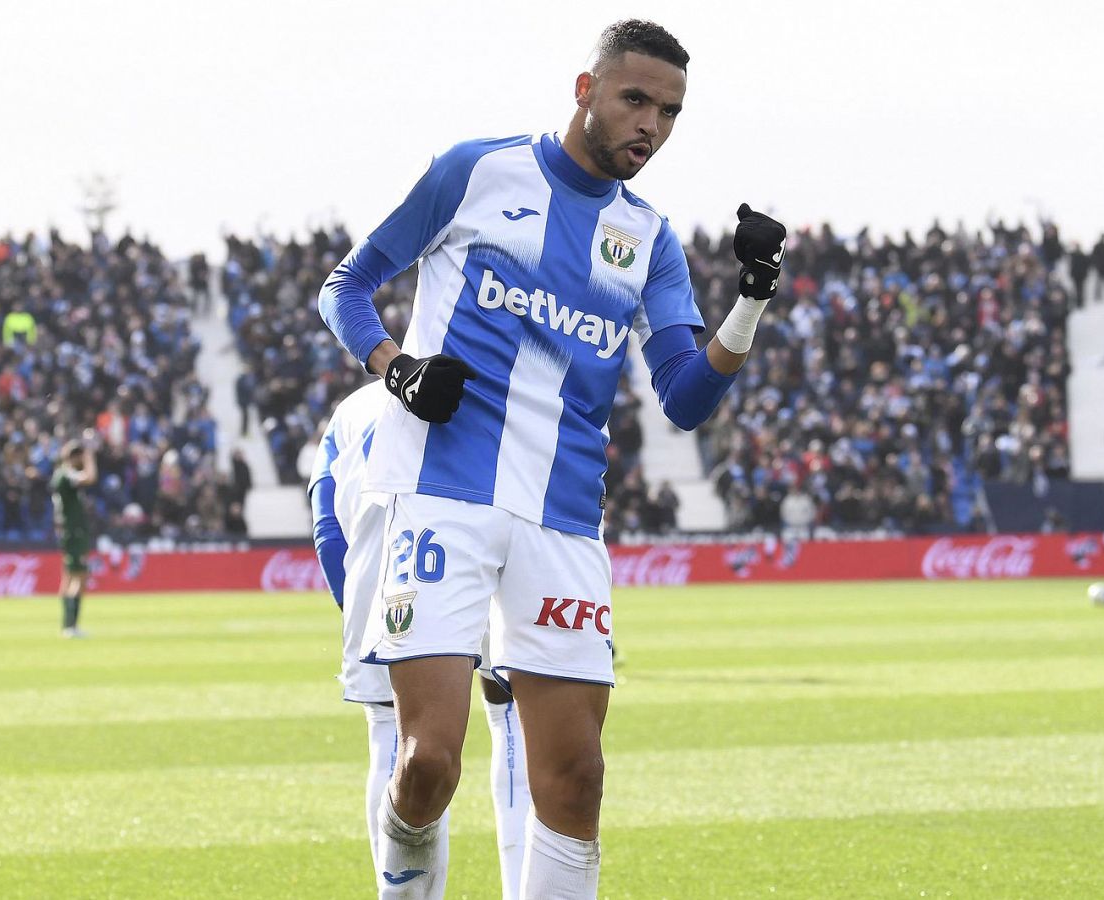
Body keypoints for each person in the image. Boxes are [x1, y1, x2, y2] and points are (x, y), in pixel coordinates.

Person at [318, 20, 785, 898]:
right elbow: (343, 285)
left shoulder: (646, 238)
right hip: (441, 493)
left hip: (564, 517)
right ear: (585, 90)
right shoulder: (478, 171)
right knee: (430, 765)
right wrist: (396, 367)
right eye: (635, 99)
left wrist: (752, 301)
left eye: (671, 112)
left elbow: (684, 395)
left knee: (575, 783)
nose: (651, 125)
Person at [309, 381, 533, 898]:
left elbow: (326, 522)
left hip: (387, 562)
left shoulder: (351, 409)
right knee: (514, 715)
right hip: (496, 541)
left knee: (393, 731)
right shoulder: (503, 384)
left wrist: (357, 607)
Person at [50, 432, 97, 637]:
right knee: (79, 577)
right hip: (73, 532)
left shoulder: (62, 474)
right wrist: (90, 457)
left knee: (68, 578)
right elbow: (90, 477)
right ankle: (71, 626)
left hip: (69, 531)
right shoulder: (66, 474)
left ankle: (67, 625)